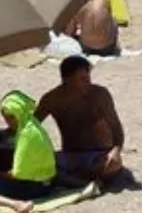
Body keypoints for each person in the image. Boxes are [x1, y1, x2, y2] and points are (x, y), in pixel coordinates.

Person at [35, 56, 125, 186]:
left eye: (88, 77)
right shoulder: (52, 99)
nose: (88, 82)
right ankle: (81, 180)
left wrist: (116, 150)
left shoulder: (100, 95)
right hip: (70, 154)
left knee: (113, 165)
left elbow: (115, 126)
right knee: (40, 163)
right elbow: (33, 125)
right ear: (66, 79)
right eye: (82, 79)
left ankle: (74, 180)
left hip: (99, 154)